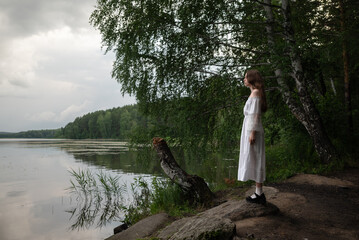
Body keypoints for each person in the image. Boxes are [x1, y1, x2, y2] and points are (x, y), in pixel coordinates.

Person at [237, 69, 267, 204]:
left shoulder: (255, 93)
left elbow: (255, 115)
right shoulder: (254, 92)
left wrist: (252, 133)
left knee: (256, 158)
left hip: (252, 130)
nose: (243, 80)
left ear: (251, 79)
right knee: (254, 159)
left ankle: (259, 194)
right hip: (249, 129)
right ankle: (258, 192)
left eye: (245, 78)